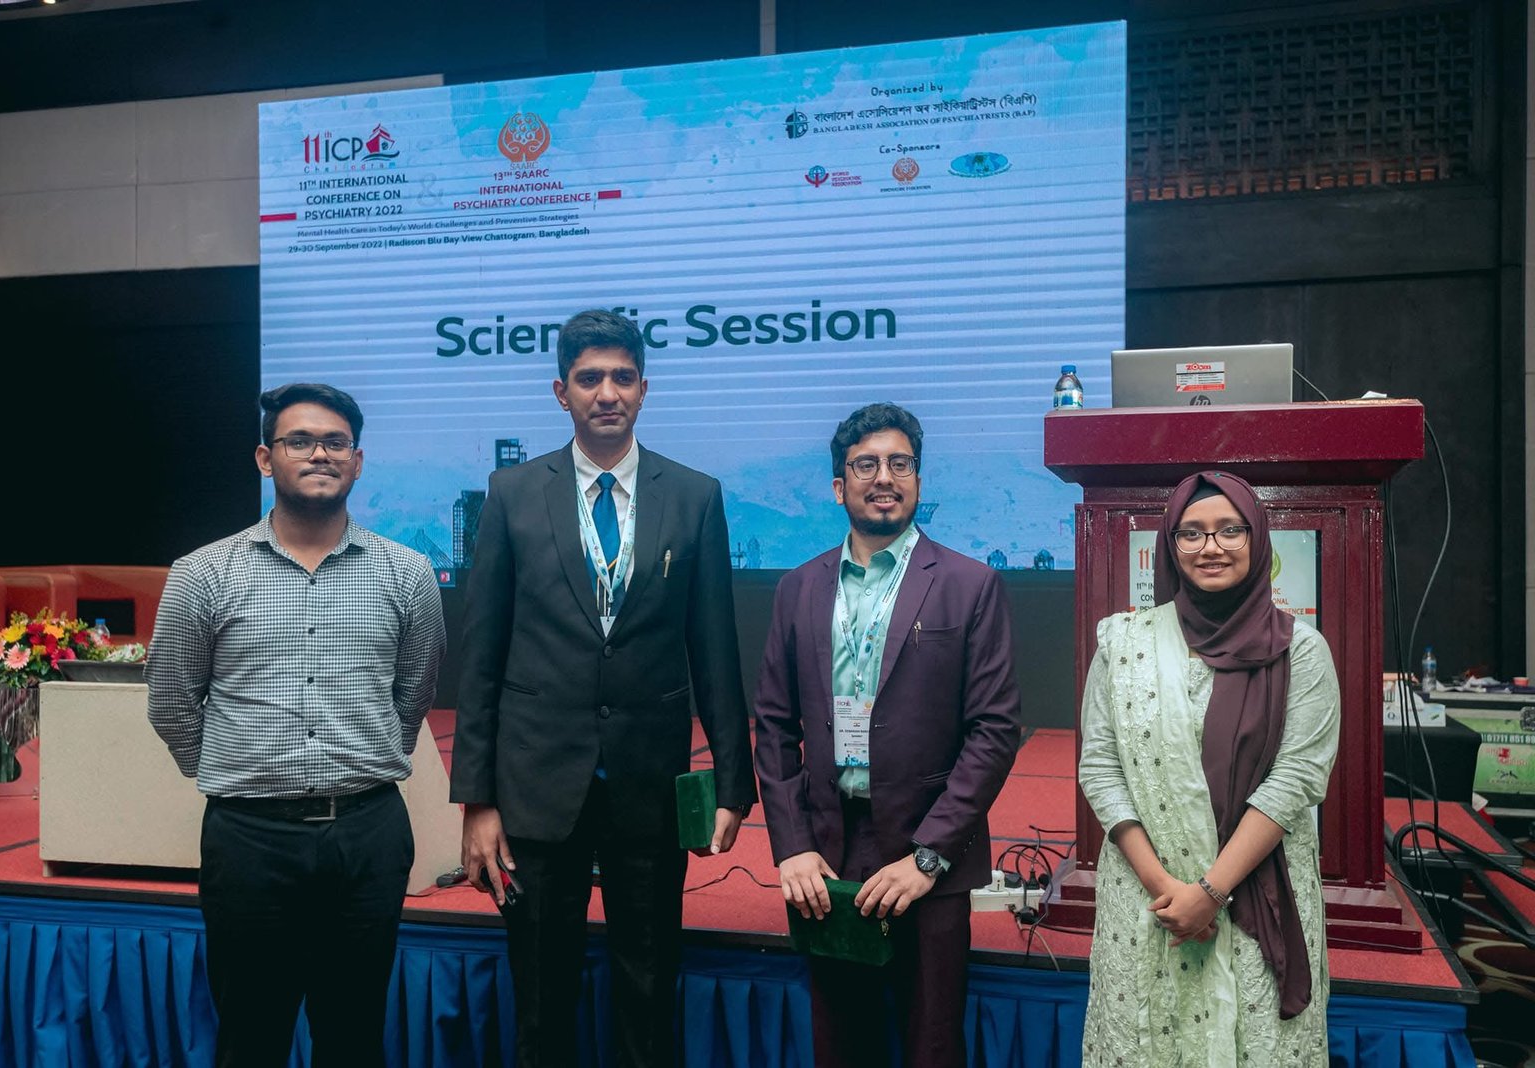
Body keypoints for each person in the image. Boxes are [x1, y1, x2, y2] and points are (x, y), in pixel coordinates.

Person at [450, 308, 757, 1068]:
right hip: (534, 789)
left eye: (623, 377)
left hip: (649, 786)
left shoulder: (694, 496)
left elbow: (715, 651)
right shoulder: (513, 493)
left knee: (649, 989)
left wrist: (732, 784)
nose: (607, 393)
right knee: (541, 993)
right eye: (589, 379)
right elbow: (480, 658)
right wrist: (476, 801)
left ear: (645, 389)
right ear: (562, 392)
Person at [146, 382, 447, 1067]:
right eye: (300, 441)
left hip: (367, 836)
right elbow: (171, 704)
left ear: (358, 461)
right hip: (249, 839)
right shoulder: (202, 574)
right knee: (251, 1037)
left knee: (354, 1036)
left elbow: (414, 694)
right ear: (265, 458)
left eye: (335, 442)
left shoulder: (407, 573)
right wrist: (238, 773)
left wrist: (359, 763)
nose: (319, 454)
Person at [752, 402, 1022, 1068]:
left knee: (932, 1045)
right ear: (837, 486)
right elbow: (774, 726)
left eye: (900, 464)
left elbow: (994, 731)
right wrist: (792, 847)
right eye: (865, 464)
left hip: (927, 855)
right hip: (827, 858)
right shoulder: (798, 588)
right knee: (841, 1045)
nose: (884, 477)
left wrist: (929, 856)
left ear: (918, 481)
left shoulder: (969, 585)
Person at [1078, 470, 1340, 1066]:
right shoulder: (1124, 642)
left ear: (1257, 539)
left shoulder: (1300, 649)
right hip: (1148, 903)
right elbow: (1100, 766)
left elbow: (1296, 779)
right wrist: (1166, 889)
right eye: (1191, 533)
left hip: (1255, 896)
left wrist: (1210, 892)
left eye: (1229, 530)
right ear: (1170, 546)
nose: (1210, 547)